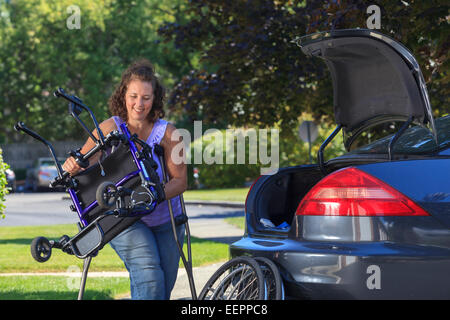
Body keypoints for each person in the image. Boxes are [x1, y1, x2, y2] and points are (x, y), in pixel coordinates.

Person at [62, 59, 187, 300]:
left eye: (146, 98)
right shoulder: (110, 128)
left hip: (165, 220)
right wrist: (73, 166)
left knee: (161, 288)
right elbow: (83, 163)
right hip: (124, 219)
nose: (139, 104)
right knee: (148, 275)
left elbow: (180, 181)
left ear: (155, 99)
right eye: (133, 96)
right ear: (124, 95)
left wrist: (152, 194)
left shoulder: (170, 134)